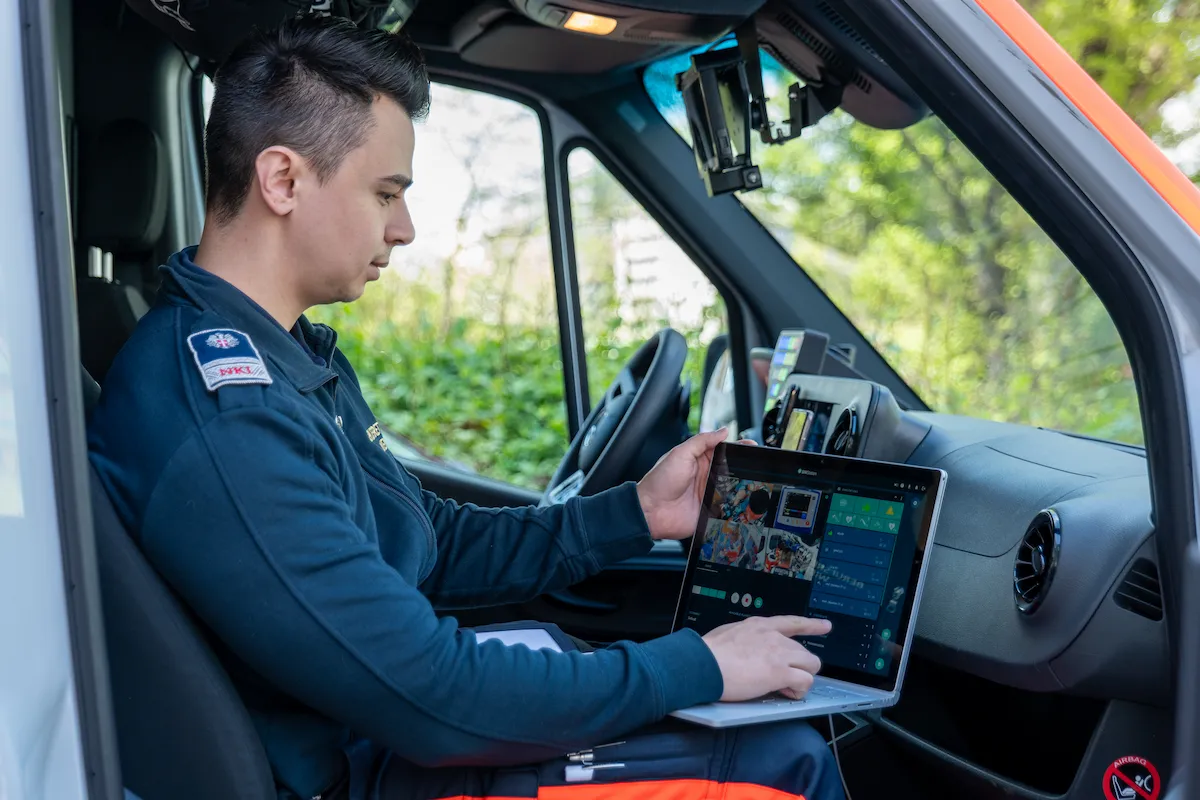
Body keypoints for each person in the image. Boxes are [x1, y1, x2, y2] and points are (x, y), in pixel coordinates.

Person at [87, 14, 845, 800]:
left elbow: (425, 544)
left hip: (380, 740)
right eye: (385, 192)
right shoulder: (226, 417)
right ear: (282, 180)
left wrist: (635, 514)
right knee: (785, 762)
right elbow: (433, 698)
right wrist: (702, 665)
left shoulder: (287, 355)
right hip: (363, 771)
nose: (404, 228)